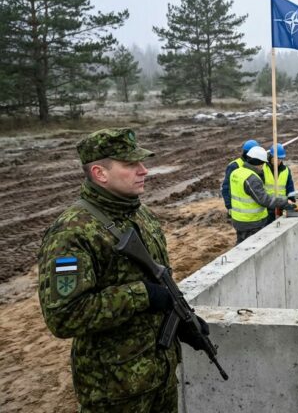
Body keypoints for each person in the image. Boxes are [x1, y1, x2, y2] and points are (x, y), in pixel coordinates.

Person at [37, 128, 208, 412]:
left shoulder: (142, 215)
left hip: (160, 379)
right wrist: (142, 296)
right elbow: (64, 316)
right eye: (131, 164)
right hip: (116, 391)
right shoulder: (72, 232)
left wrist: (181, 321)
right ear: (100, 173)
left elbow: (160, 283)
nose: (144, 170)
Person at [229, 146, 294, 244]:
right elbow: (264, 200)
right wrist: (285, 202)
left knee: (241, 244)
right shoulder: (252, 178)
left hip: (238, 220)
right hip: (252, 222)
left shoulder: (235, 173)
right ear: (259, 163)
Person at [221, 139, 260, 217]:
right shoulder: (234, 166)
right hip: (239, 210)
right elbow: (226, 188)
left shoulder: (256, 164)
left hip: (255, 208)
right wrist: (229, 206)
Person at [264, 143, 296, 224]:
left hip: (282, 206)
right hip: (267, 207)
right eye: (277, 159)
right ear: (271, 157)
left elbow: (290, 187)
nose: (279, 162)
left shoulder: (286, 170)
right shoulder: (264, 168)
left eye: (280, 159)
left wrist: (291, 200)